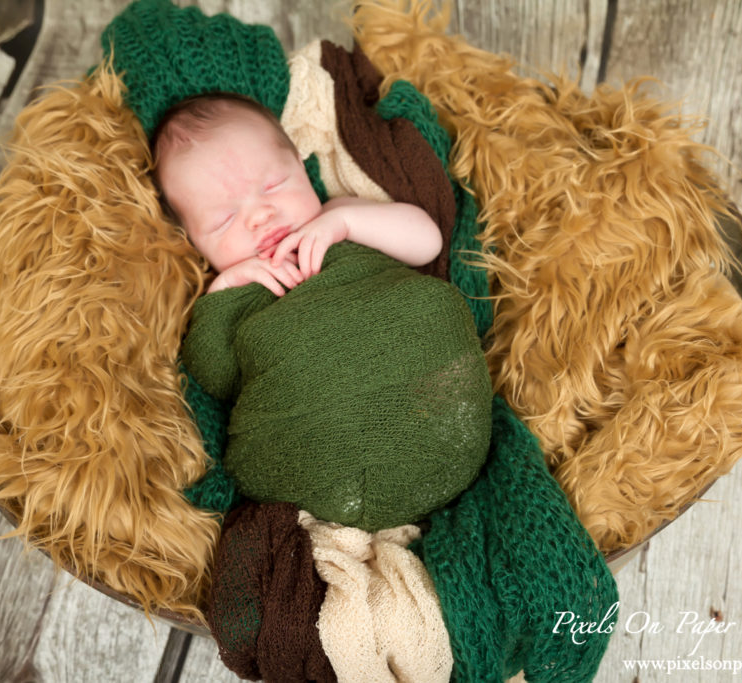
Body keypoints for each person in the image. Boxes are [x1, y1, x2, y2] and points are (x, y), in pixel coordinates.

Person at [153, 93, 492, 532]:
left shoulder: (338, 218)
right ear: (194, 244)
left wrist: (345, 224)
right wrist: (222, 291)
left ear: (300, 163)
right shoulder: (236, 291)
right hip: (323, 461)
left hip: (441, 422)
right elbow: (213, 375)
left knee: (433, 306)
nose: (260, 215)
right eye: (223, 221)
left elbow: (427, 241)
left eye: (274, 185)